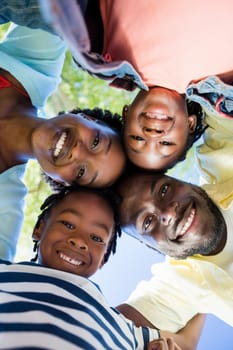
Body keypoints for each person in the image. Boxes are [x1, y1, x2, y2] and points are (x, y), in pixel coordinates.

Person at [0, 184, 185, 350]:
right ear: (39, 228)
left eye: (96, 238)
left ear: (103, 259)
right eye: (67, 224)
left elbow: (185, 341)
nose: (79, 241)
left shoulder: (122, 327)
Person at [0, 24, 126, 261]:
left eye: (81, 171)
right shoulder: (37, 63)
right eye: (96, 141)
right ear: (87, 118)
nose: (77, 151)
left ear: (62, 182)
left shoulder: (4, 207)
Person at [115, 170, 233, 335]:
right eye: (147, 222)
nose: (168, 213)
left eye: (164, 190)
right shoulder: (181, 283)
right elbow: (111, 330)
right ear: (152, 247)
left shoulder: (223, 159)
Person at [121, 74, 233, 171]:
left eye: (137, 138)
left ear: (126, 114)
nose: (153, 134)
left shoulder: (117, 59)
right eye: (166, 143)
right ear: (190, 124)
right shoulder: (223, 90)